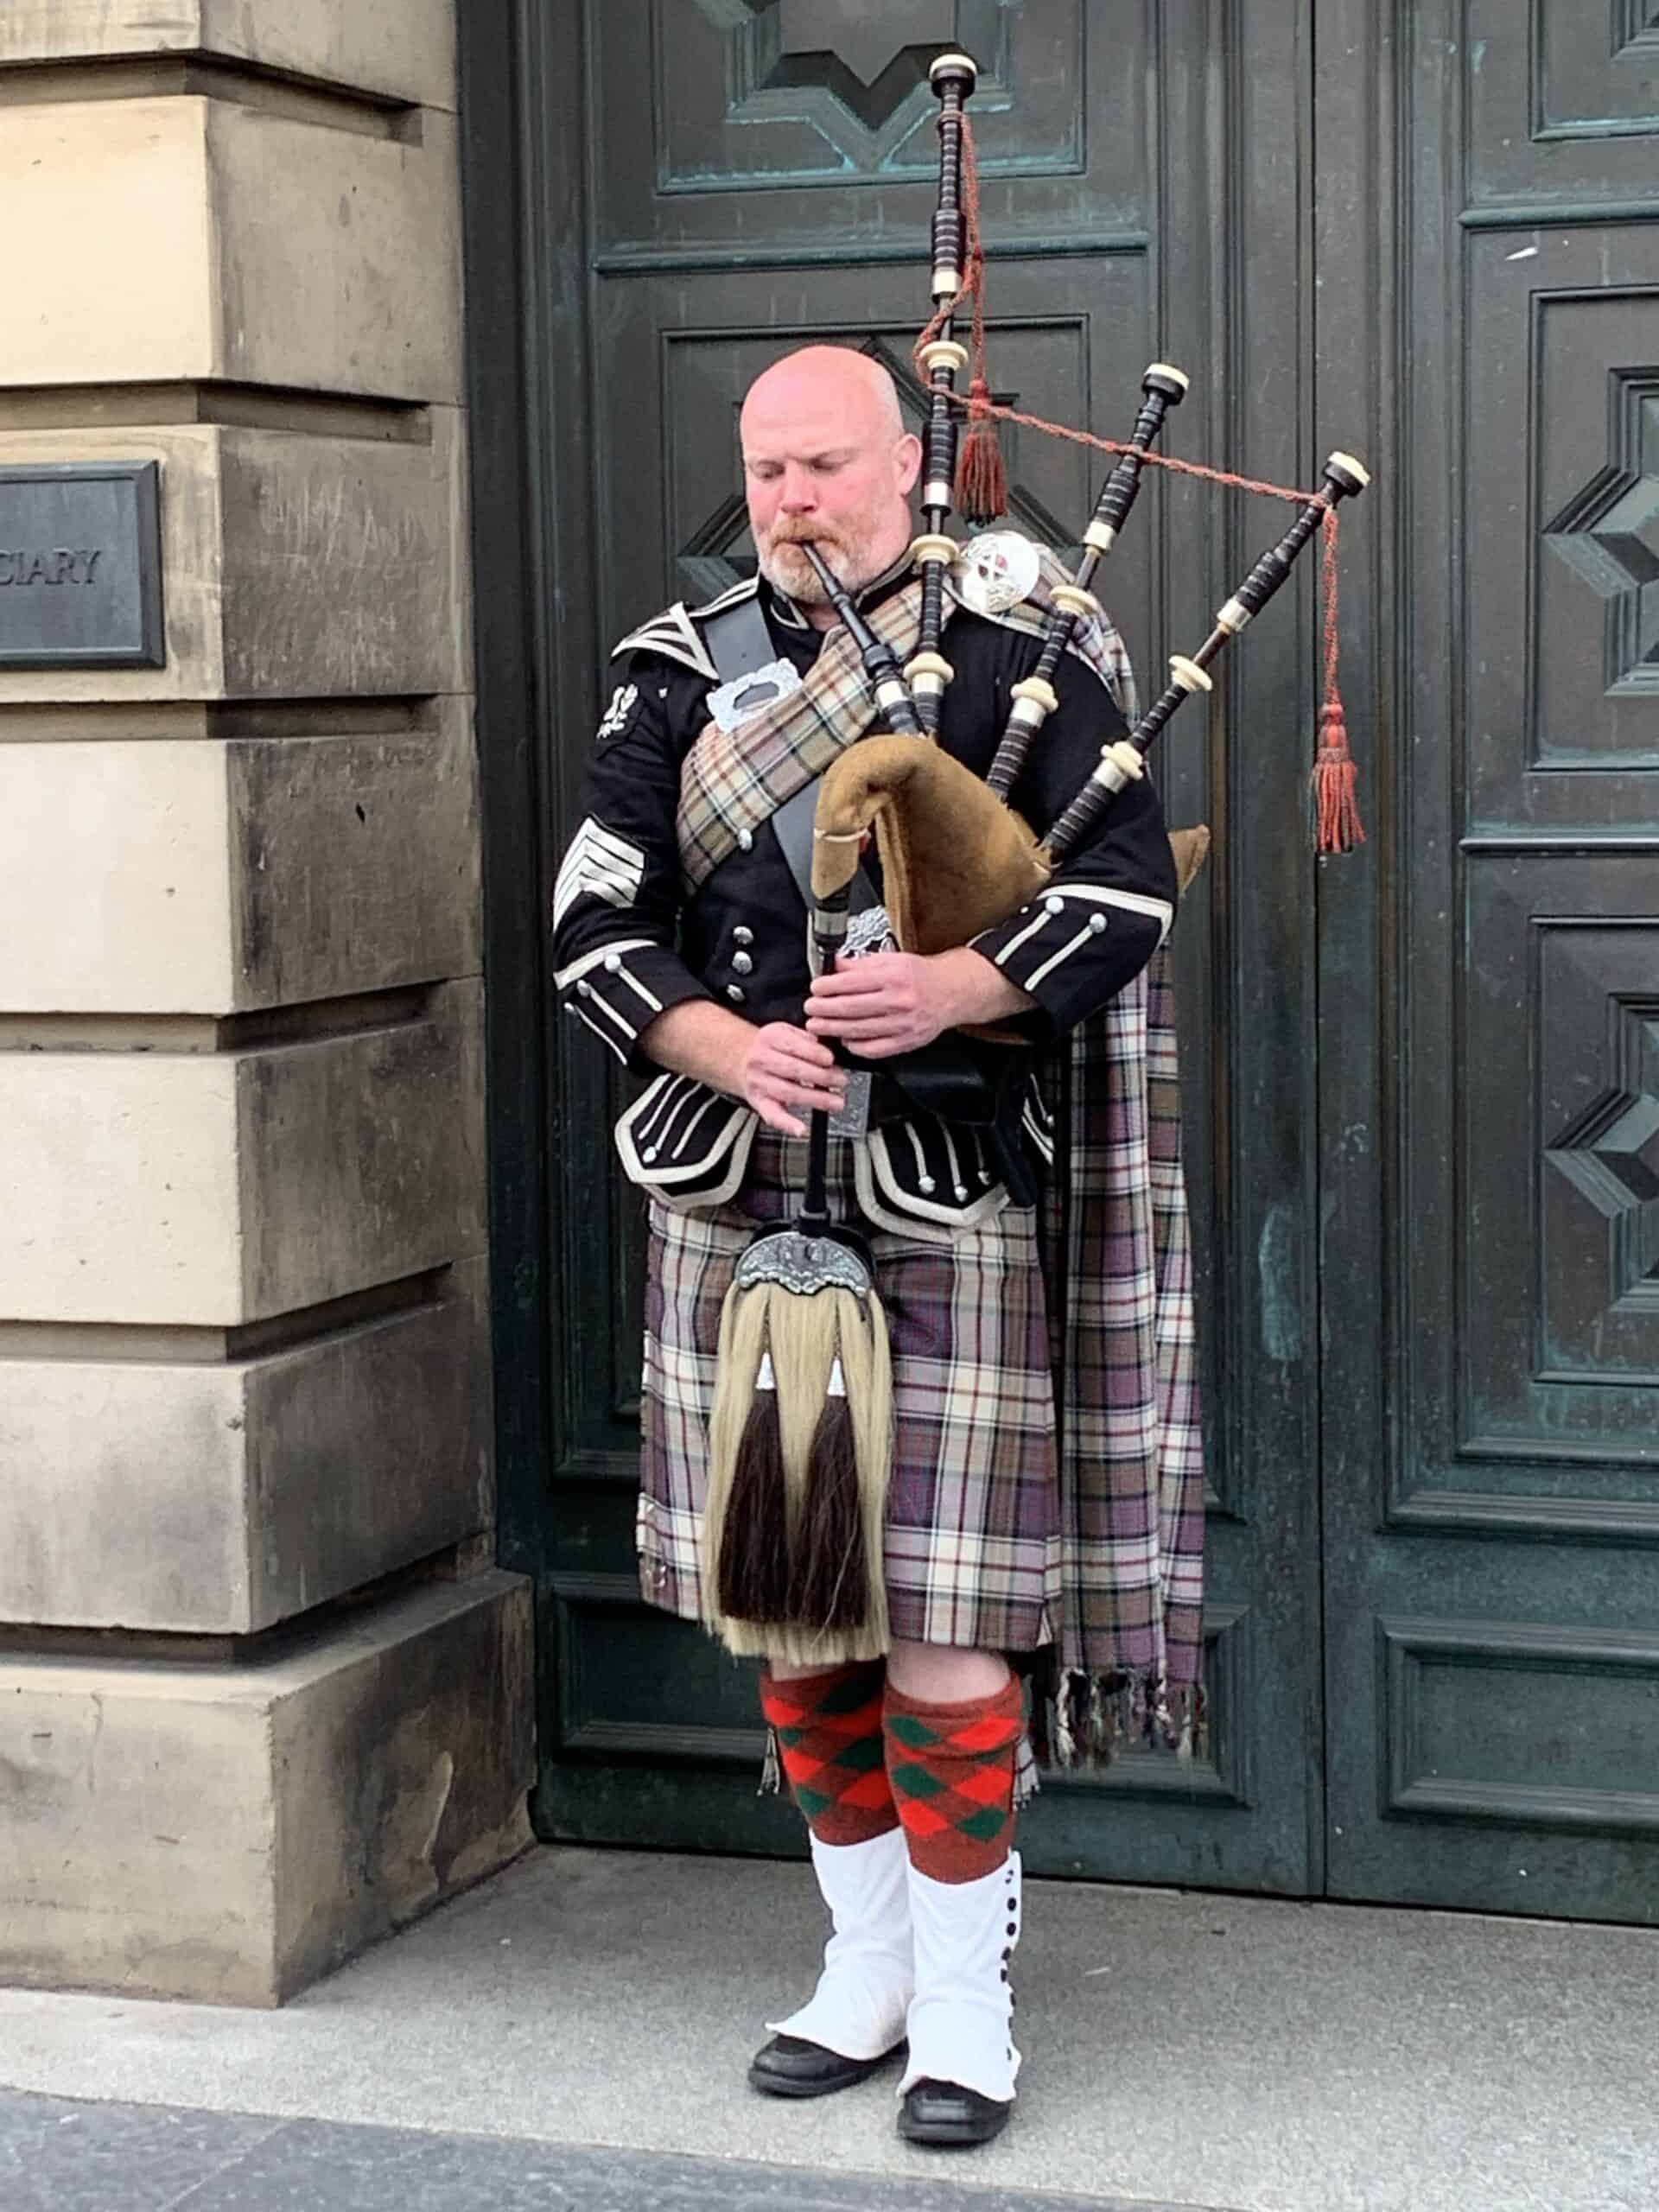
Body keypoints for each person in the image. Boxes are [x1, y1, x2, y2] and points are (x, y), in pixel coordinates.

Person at [552, 343, 1185, 2149]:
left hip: (944, 1189)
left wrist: (960, 984)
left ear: (909, 463)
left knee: (953, 1619)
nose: (792, 499)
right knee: (796, 1611)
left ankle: (970, 2008)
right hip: (743, 1207)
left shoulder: (1030, 654)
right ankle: (866, 1964)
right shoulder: (672, 678)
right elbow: (599, 920)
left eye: (824, 463)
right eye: (766, 473)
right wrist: (714, 1039)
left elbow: (1123, 888)